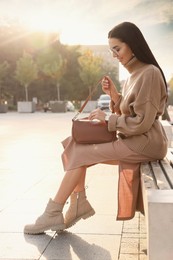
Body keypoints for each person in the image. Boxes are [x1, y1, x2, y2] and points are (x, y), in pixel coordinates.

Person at [24, 21, 168, 234]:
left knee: (80, 152)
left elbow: (141, 122)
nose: (114, 55)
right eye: (111, 51)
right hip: (135, 139)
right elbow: (128, 112)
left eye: (117, 49)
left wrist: (107, 118)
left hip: (146, 142)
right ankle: (75, 204)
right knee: (75, 143)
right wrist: (114, 96)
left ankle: (57, 211)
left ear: (133, 45)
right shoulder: (134, 75)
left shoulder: (149, 73)